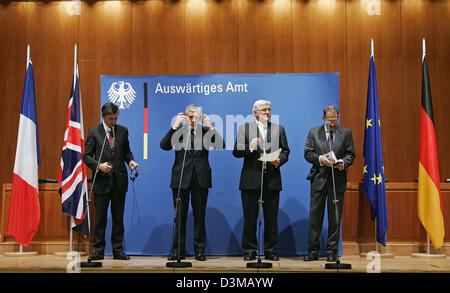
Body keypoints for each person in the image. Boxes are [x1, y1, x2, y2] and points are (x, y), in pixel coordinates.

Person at [160, 104, 224, 261]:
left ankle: (200, 250)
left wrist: (210, 128)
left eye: (196, 117)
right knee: (179, 216)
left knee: (200, 216)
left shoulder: (206, 131)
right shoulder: (179, 132)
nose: (193, 120)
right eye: (190, 117)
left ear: (201, 117)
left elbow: (221, 145)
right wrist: (174, 127)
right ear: (185, 117)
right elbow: (164, 146)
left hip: (201, 179)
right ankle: (178, 251)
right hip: (181, 179)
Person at [233, 100, 290, 261]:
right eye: (264, 110)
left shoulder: (279, 129)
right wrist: (250, 147)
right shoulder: (245, 129)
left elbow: (286, 151)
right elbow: (236, 151)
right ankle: (250, 250)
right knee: (250, 217)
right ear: (255, 113)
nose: (267, 112)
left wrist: (279, 160)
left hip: (272, 179)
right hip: (251, 179)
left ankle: (271, 250)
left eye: (269, 109)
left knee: (271, 218)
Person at [83, 102, 139, 260]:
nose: (113, 121)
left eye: (115, 118)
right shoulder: (94, 132)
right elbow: (86, 156)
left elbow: (127, 152)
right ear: (103, 116)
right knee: (100, 218)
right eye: (110, 119)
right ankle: (98, 251)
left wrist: (131, 162)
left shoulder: (123, 131)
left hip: (119, 181)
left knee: (118, 218)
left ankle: (118, 250)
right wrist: (98, 166)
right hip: (101, 182)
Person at [303, 105, 355, 262]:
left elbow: (351, 155)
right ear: (323, 118)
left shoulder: (345, 133)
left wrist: (342, 163)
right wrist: (321, 159)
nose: (333, 123)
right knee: (315, 217)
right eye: (330, 120)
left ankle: (332, 251)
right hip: (318, 179)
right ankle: (313, 251)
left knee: (335, 217)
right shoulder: (313, 132)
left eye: (335, 119)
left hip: (337, 179)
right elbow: (308, 153)